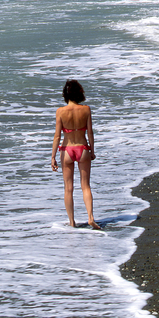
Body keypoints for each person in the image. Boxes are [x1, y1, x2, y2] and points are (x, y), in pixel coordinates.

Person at [51, 79, 100, 229]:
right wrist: (92, 149)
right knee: (85, 186)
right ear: (80, 93)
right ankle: (90, 217)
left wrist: (52, 156)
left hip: (67, 150)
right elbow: (90, 132)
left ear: (65, 95)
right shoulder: (86, 109)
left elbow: (57, 136)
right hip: (82, 148)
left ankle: (72, 222)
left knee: (68, 188)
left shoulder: (60, 111)